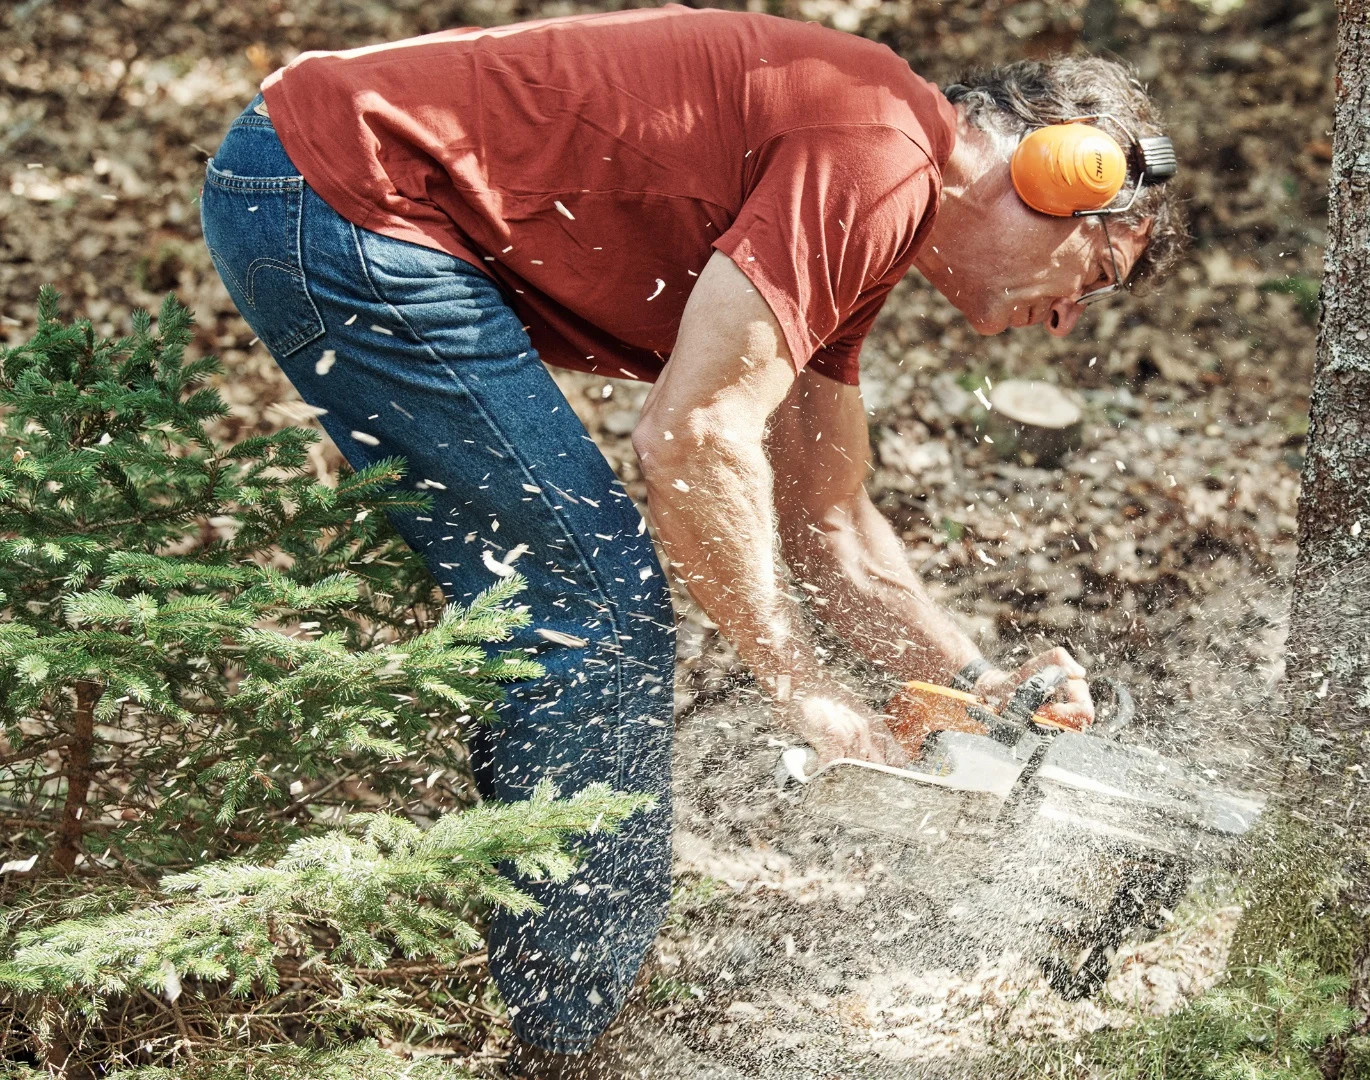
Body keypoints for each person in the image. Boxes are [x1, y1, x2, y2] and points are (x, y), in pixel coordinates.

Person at [198, 5, 1183, 1073]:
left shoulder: (875, 202)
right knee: (594, 604)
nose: (1067, 318)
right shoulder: (876, 154)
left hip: (324, 183)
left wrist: (979, 688)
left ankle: (559, 996)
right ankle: (573, 1042)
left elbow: (829, 524)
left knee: (576, 597)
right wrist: (800, 683)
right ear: (1060, 172)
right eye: (1095, 273)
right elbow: (695, 436)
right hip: (342, 191)